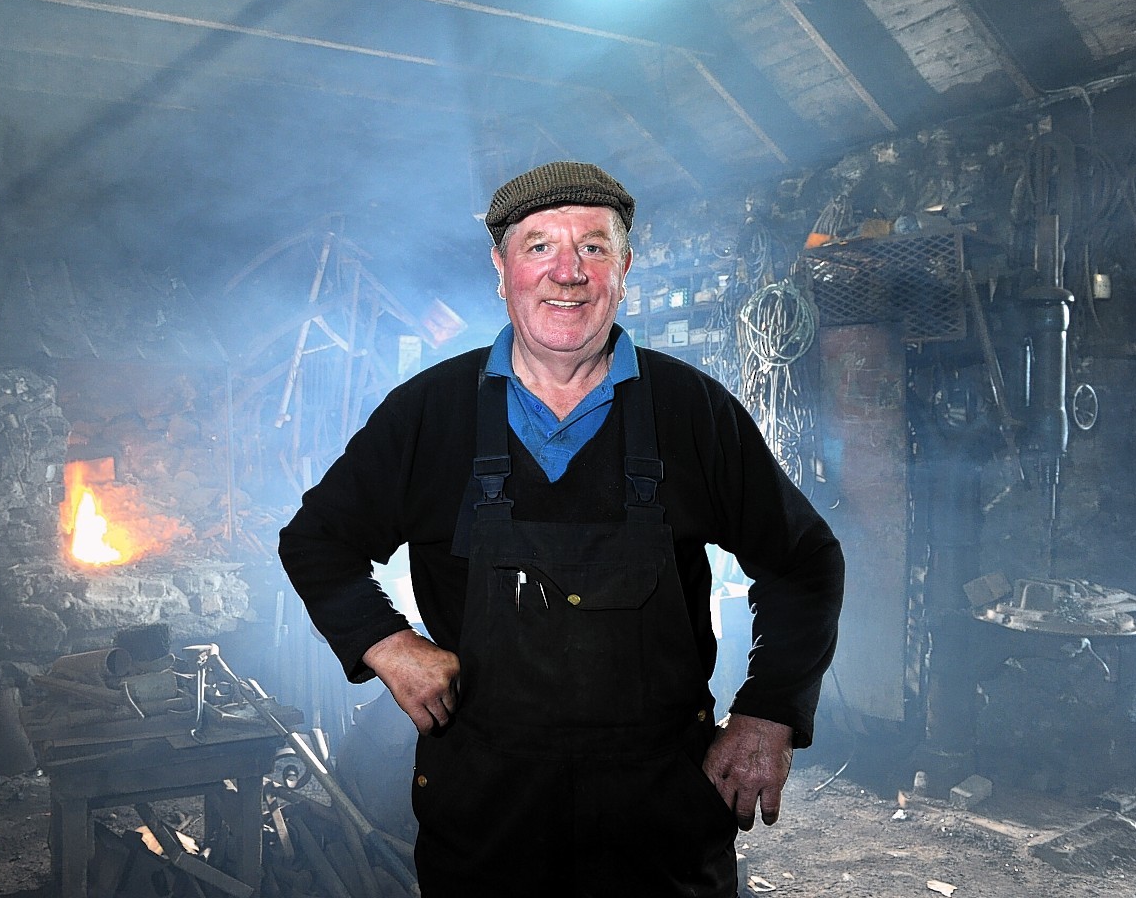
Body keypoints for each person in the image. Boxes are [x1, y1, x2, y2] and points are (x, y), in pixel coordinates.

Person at [279, 161, 844, 897]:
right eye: (539, 246)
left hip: (661, 811)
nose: (567, 274)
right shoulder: (431, 412)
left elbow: (804, 561)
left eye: (594, 248)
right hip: (486, 811)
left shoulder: (692, 412)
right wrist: (386, 643)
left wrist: (769, 711)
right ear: (502, 267)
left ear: (625, 267)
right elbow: (316, 539)